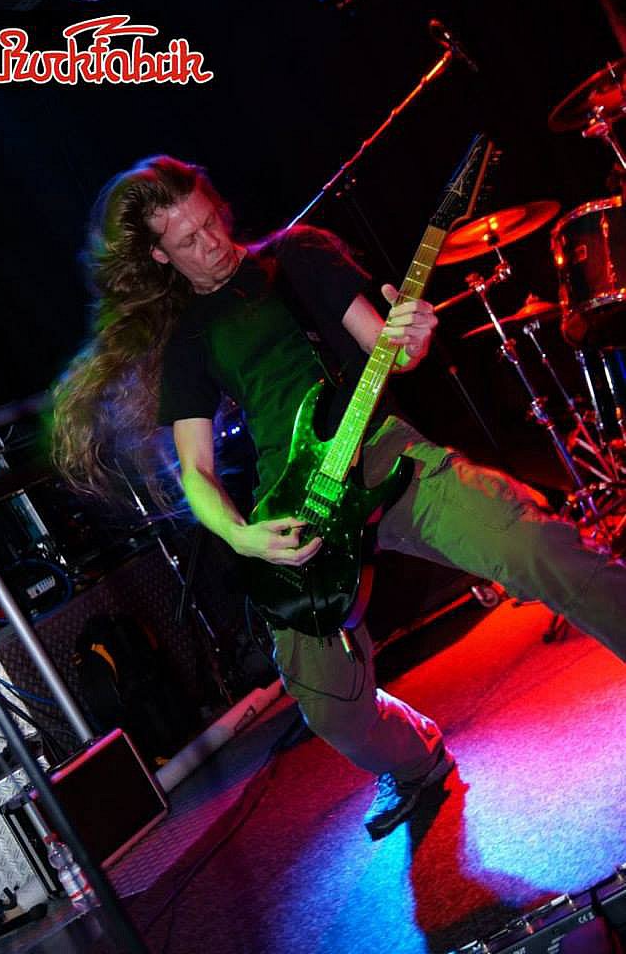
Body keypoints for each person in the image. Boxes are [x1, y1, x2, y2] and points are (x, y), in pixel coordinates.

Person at [53, 155, 626, 842]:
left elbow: (389, 349)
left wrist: (410, 339)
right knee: (331, 711)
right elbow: (195, 470)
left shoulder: (298, 256)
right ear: (159, 255)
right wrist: (240, 534)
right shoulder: (186, 336)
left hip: (382, 452)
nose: (211, 244)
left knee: (537, 546)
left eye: (210, 222)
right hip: (295, 512)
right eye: (188, 241)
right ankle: (415, 760)